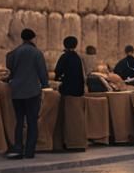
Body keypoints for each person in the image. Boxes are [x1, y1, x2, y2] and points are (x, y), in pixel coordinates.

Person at [5, 28, 49, 159]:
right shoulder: (36, 53)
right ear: (33, 38)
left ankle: (18, 148)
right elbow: (42, 72)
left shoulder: (14, 52)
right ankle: (29, 151)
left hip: (17, 91)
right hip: (32, 91)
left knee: (19, 121)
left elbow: (10, 67)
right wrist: (45, 84)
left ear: (22, 38)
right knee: (32, 122)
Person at [54, 36, 87, 151]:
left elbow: (57, 71)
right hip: (78, 91)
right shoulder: (78, 57)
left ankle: (68, 142)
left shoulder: (64, 57)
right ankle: (78, 142)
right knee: (77, 119)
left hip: (68, 91)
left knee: (68, 119)